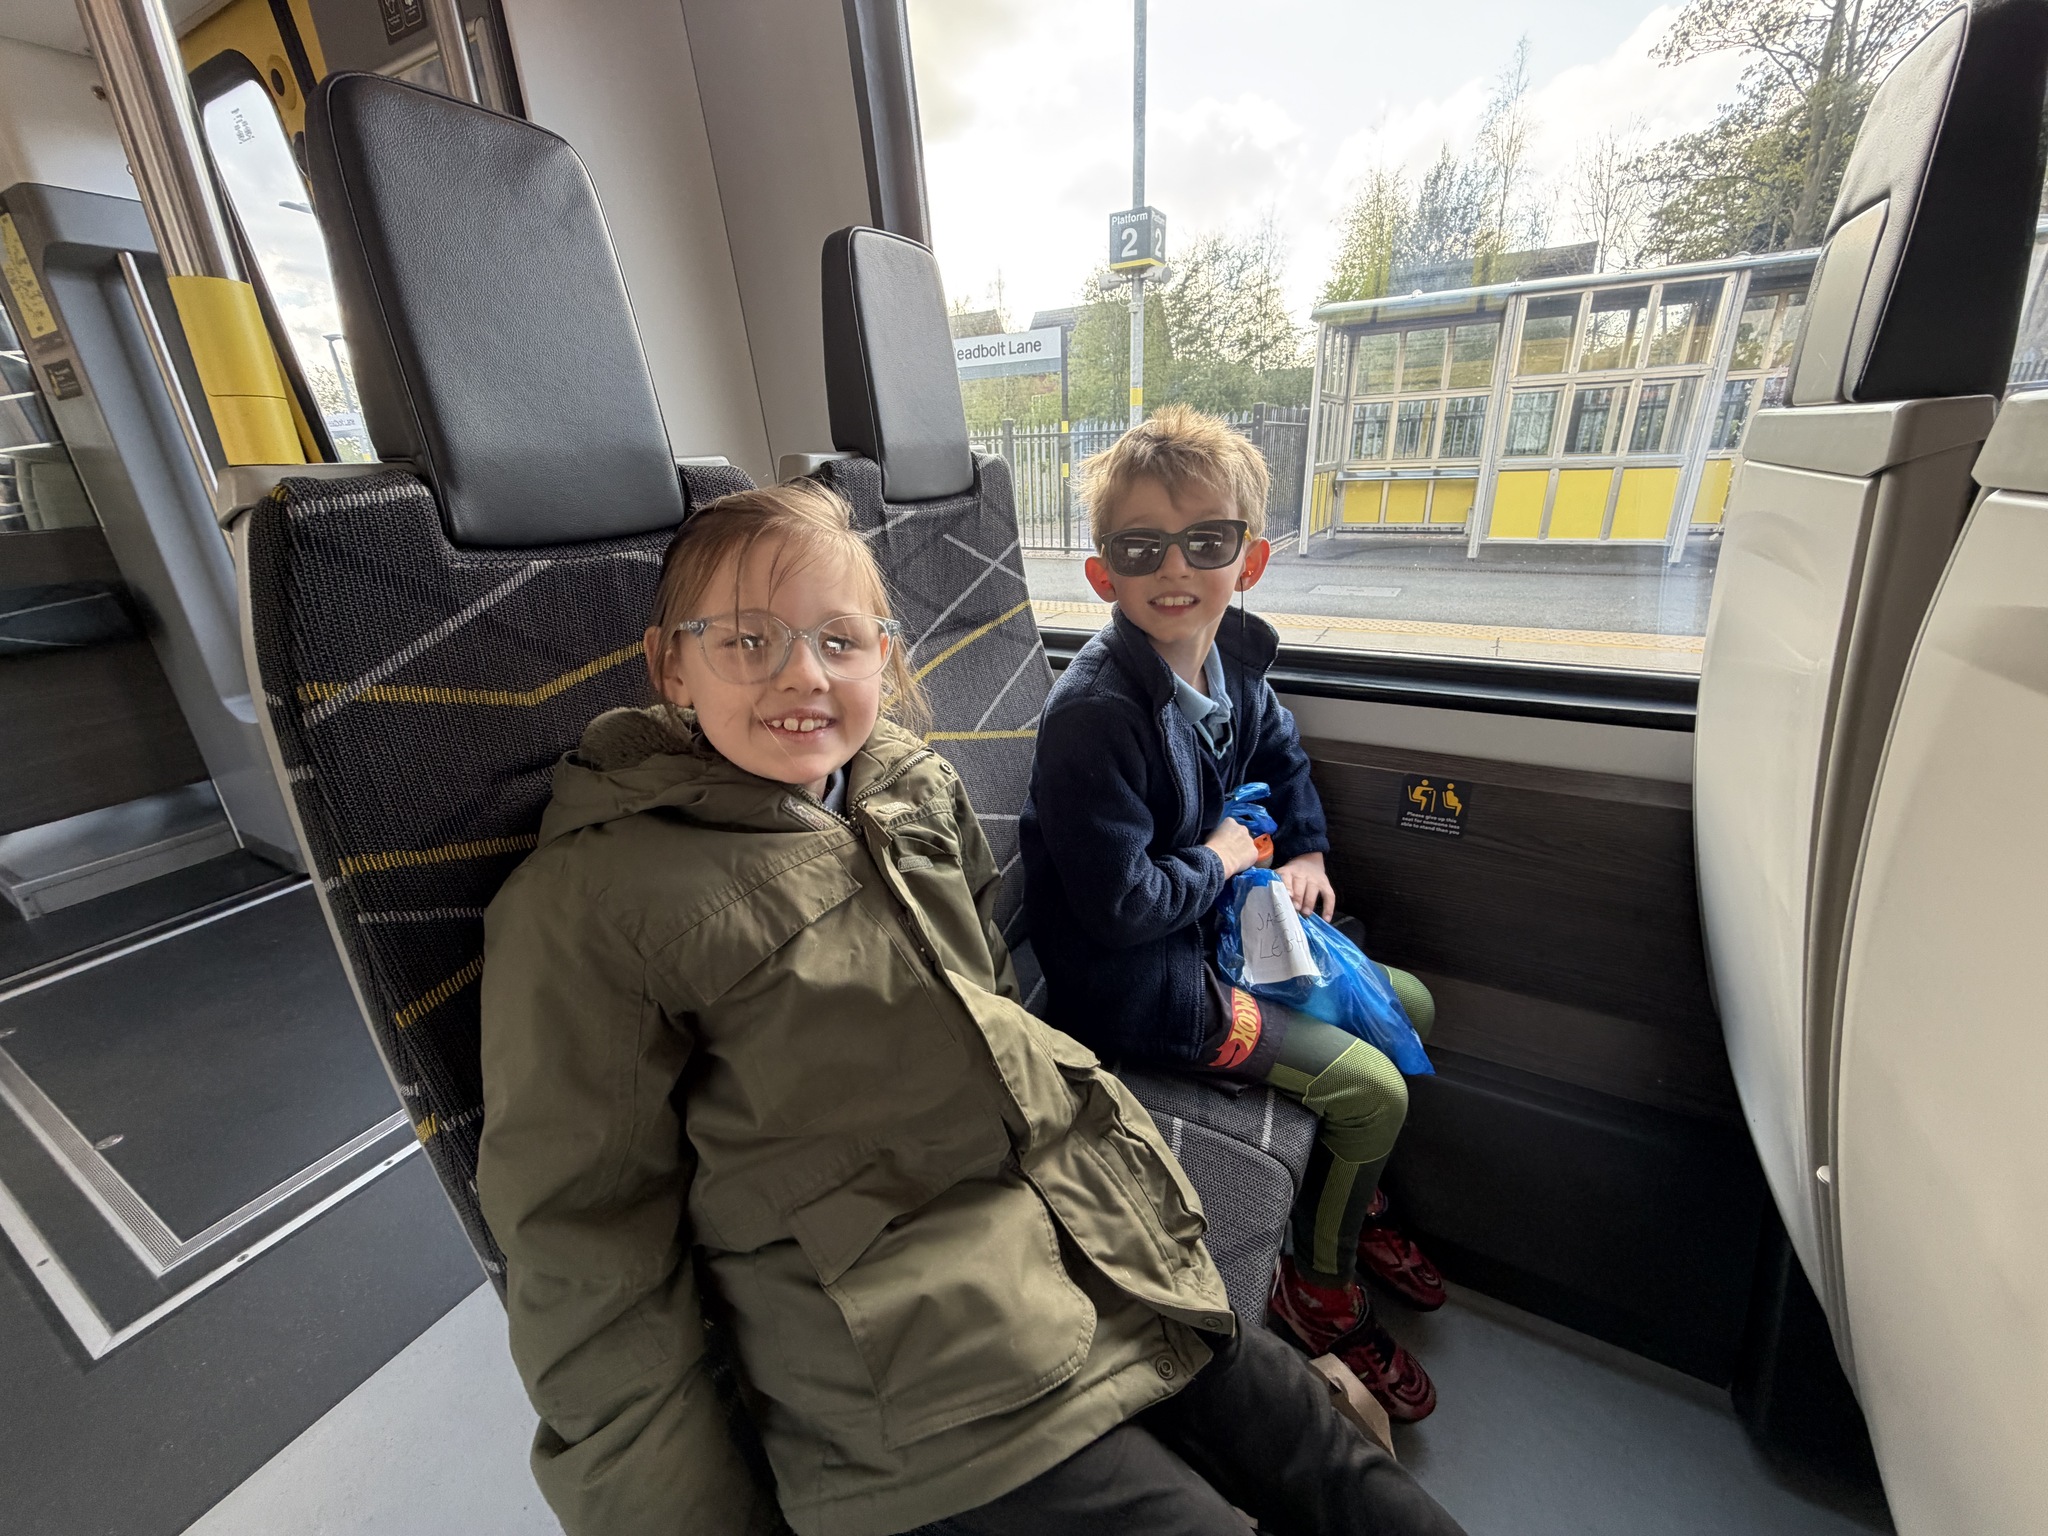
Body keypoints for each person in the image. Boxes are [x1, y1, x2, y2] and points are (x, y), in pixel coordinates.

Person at [476, 481, 1466, 1536]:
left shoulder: (906, 789)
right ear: (669, 664)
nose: (802, 674)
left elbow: (989, 1010)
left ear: (884, 655)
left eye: (839, 640)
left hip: (1096, 1243)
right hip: (921, 1383)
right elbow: (586, 1255)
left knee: (1338, 1471)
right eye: (748, 640)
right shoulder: (593, 902)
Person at [1019, 406, 1448, 1422]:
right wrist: (1222, 855)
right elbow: (1121, 908)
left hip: (1211, 928)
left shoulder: (1229, 665)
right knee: (1373, 1094)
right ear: (1103, 576)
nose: (1174, 568)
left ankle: (1349, 1199)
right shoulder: (1095, 717)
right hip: (1146, 984)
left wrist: (1303, 849)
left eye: (1204, 541)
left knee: (1413, 1007)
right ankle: (1319, 1289)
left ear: (1247, 558)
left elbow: (1280, 753)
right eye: (1141, 548)